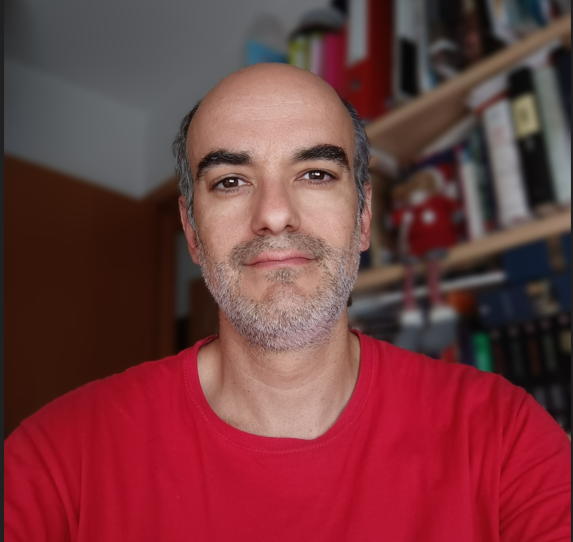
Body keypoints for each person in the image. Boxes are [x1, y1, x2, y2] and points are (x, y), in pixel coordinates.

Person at [4, 64, 571, 541]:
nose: (275, 214)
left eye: (316, 173)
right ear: (192, 231)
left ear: (364, 217)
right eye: (230, 181)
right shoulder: (55, 460)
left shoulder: (507, 438)